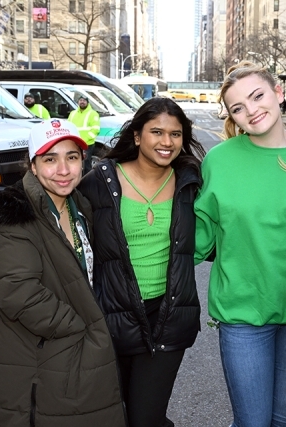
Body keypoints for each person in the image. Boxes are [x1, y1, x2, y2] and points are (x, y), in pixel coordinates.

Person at [0, 119, 126, 426]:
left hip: (65, 353)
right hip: (32, 358)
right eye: (50, 159)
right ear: (33, 165)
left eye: (71, 157)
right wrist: (81, 326)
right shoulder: (14, 215)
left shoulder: (80, 206)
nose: (63, 170)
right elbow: (18, 294)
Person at [194, 61, 286, 427]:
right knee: (253, 422)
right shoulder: (219, 161)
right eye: (238, 108)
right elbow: (199, 234)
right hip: (243, 312)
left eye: (257, 96)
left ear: (279, 93)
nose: (251, 110)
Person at [78, 97, 205, 427]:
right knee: (114, 415)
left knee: (144, 418)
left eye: (176, 134)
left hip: (168, 314)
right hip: (113, 316)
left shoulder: (190, 182)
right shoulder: (99, 182)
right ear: (137, 136)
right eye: (157, 132)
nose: (167, 142)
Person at [69, 94, 100, 174]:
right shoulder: (73, 113)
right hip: (74, 144)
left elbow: (95, 129)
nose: (82, 102)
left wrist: (83, 140)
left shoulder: (93, 114)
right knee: (75, 164)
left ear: (87, 102)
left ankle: (87, 182)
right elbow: (69, 127)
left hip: (87, 144)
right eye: (80, 100)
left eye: (84, 100)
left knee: (86, 165)